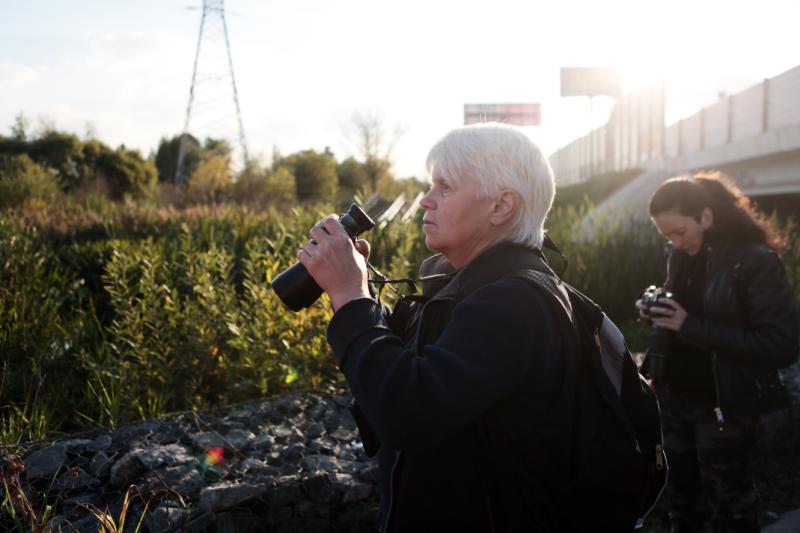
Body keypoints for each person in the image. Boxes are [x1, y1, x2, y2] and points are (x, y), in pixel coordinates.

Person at [298, 123, 579, 532]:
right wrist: (362, 298)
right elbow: (402, 392)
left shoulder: (516, 302)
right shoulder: (470, 287)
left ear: (501, 206)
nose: (426, 201)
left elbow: (405, 416)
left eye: (445, 187)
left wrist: (350, 296)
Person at [637, 172, 799, 533]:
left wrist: (687, 324)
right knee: (681, 504)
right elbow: (681, 315)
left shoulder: (755, 261)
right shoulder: (679, 256)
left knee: (731, 510)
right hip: (674, 399)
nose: (676, 243)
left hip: (724, 405)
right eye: (667, 236)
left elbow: (780, 344)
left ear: (706, 217)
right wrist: (657, 313)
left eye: (680, 232)